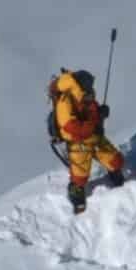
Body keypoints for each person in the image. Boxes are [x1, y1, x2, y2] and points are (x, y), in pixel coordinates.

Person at [47, 67, 125, 214]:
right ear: (81, 83)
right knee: (80, 175)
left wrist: (100, 113)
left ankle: (116, 174)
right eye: (89, 84)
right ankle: (77, 197)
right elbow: (70, 125)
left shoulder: (85, 95)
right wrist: (92, 126)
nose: (92, 87)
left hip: (93, 136)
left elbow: (92, 112)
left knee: (115, 160)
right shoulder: (65, 100)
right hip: (78, 141)